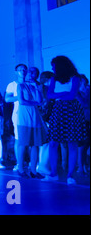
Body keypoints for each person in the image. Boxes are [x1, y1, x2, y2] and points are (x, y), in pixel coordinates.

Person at [43, 56, 87, 185]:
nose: (52, 68)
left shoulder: (75, 78)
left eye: (54, 66)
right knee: (53, 142)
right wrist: (63, 94)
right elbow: (49, 95)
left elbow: (72, 95)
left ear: (60, 66)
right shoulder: (53, 79)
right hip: (58, 110)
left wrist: (59, 95)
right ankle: (53, 173)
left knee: (72, 143)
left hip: (72, 110)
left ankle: (70, 175)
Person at [16, 65, 47, 178]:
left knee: (35, 144)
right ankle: (20, 168)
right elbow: (22, 101)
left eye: (32, 73)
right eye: (29, 72)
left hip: (35, 117)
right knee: (23, 143)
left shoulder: (35, 86)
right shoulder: (20, 86)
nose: (30, 75)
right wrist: (36, 103)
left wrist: (36, 89)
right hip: (24, 117)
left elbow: (40, 100)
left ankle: (33, 170)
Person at [5, 64, 27, 172]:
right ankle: (19, 163)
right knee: (19, 139)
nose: (22, 71)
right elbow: (7, 99)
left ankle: (29, 161)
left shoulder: (29, 84)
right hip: (18, 114)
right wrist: (20, 97)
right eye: (20, 70)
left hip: (30, 113)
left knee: (30, 139)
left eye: (24, 69)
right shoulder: (12, 85)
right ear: (16, 72)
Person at [76, 74, 90, 174]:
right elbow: (84, 104)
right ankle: (81, 167)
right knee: (82, 145)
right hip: (81, 120)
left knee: (87, 144)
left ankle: (85, 165)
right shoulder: (76, 92)